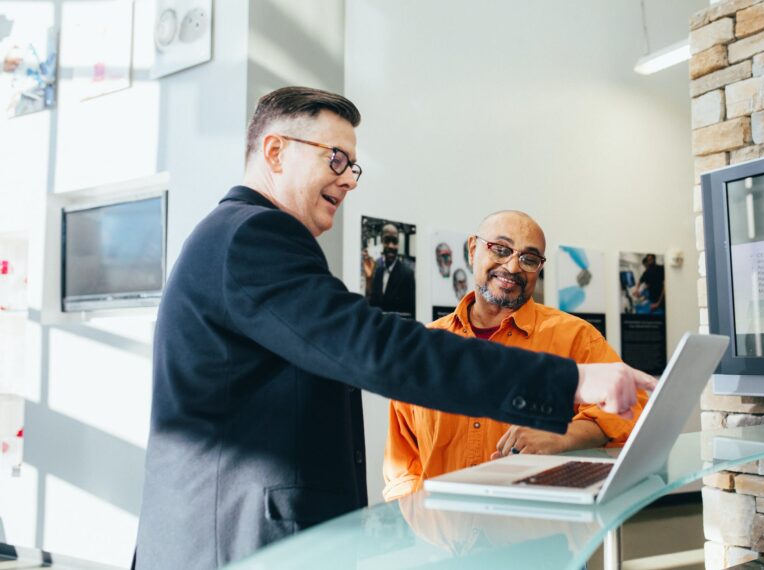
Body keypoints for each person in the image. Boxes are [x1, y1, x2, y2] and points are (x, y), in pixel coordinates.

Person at [134, 86, 656, 569]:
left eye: (353, 166)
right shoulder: (253, 236)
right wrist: (569, 381)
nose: (346, 177)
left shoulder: (236, 236)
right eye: (334, 158)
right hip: (237, 542)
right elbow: (376, 349)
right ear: (274, 152)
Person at [383, 211, 648, 500]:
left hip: (536, 531)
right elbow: (402, 462)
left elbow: (633, 409)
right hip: (444, 535)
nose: (512, 266)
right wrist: (420, 526)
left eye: (529, 259)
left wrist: (562, 435)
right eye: (500, 249)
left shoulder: (575, 337)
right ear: (473, 249)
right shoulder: (427, 347)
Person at [367, 223, 416, 317]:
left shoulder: (407, 274)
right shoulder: (378, 271)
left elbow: (409, 315)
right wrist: (368, 280)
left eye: (394, 241)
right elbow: (372, 306)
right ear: (381, 242)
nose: (391, 246)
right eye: (387, 240)